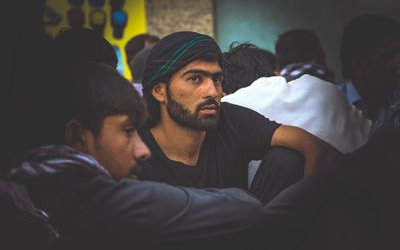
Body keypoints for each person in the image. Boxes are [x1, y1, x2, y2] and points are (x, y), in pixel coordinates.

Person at [9, 62, 268, 249]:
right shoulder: (91, 198)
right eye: (128, 131)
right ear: (78, 137)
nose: (142, 150)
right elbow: (248, 209)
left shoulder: (30, 178)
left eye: (216, 80)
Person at [138, 31, 341, 205]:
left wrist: (298, 214)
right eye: (195, 79)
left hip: (245, 236)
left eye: (216, 80)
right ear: (159, 91)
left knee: (287, 159)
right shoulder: (137, 149)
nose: (213, 91)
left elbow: (317, 149)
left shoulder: (231, 119)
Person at [222, 42, 371, 154]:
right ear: (275, 73)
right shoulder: (322, 88)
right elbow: (371, 133)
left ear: (225, 91)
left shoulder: (228, 108)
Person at [338, 14, 400, 140]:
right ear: (359, 64)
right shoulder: (333, 103)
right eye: (388, 56)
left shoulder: (396, 97)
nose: (398, 62)